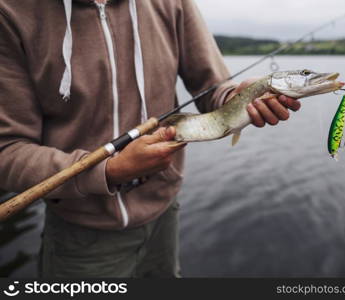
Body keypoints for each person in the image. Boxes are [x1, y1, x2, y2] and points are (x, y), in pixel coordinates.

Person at [0, 0, 300, 277]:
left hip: (164, 216)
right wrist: (109, 171)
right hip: (80, 234)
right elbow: (8, 152)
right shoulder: (12, 12)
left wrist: (238, 98)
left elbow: (214, 86)